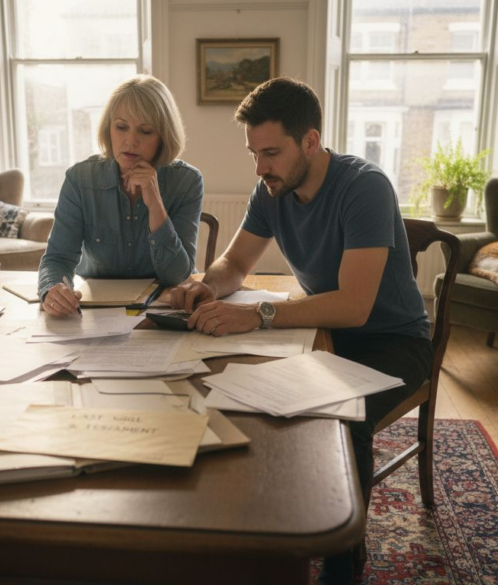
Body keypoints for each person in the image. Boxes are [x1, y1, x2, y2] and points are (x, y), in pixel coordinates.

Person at [169, 77, 433, 584]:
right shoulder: (271, 188)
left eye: (270, 152)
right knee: (228, 384)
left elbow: (355, 308)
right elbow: (236, 263)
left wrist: (257, 315)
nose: (259, 166)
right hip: (320, 330)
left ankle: (342, 565)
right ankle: (250, 528)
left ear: (310, 141)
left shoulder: (365, 188)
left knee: (342, 416)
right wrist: (207, 286)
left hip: (392, 341)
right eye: (253, 153)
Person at [39, 75, 204, 317]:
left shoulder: (187, 181)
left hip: (161, 311)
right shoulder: (80, 179)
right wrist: (52, 290)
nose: (130, 141)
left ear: (163, 137)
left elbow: (178, 275)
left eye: (145, 131)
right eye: (121, 126)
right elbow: (57, 258)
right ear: (109, 128)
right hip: (96, 310)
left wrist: (155, 202)